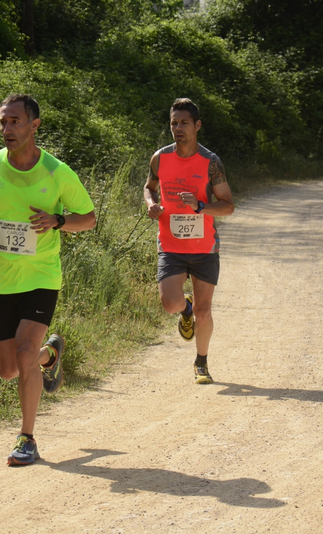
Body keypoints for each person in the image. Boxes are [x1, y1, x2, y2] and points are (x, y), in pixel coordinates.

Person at [0, 94, 96, 466]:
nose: (7, 129)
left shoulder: (56, 171)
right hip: (1, 279)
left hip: (41, 277)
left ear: (34, 125)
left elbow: (88, 218)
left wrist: (58, 221)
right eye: (3, 122)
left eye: (15, 121)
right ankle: (50, 355)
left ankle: (27, 438)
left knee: (23, 353)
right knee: (9, 369)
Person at [143, 98, 234, 385]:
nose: (178, 128)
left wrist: (200, 206)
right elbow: (149, 187)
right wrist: (151, 204)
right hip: (171, 246)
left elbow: (228, 206)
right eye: (174, 123)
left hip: (204, 248)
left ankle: (201, 362)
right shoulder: (160, 158)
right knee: (170, 303)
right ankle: (185, 309)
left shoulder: (211, 162)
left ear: (197, 125)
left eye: (184, 123)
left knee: (205, 311)